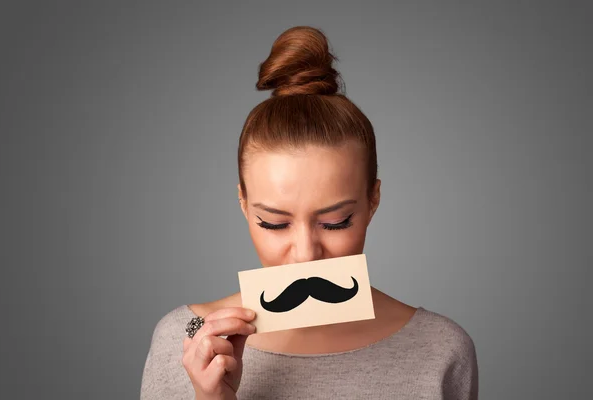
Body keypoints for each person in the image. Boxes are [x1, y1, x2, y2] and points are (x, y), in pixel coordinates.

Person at [140, 26, 478, 400]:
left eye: (335, 222)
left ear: (373, 201)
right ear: (243, 204)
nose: (305, 253)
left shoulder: (441, 350)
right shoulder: (185, 338)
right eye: (274, 223)